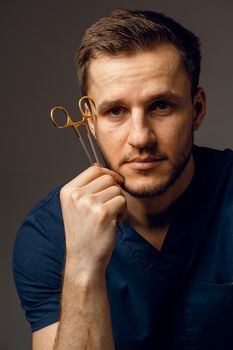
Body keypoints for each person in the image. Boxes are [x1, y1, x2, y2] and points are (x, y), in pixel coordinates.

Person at [13, 9, 233, 350]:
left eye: (161, 105)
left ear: (197, 109)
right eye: (115, 111)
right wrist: (83, 267)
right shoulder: (48, 234)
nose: (140, 137)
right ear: (90, 120)